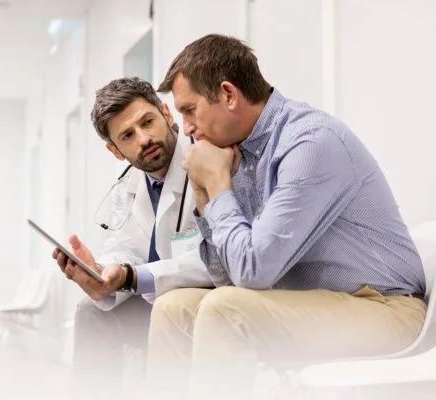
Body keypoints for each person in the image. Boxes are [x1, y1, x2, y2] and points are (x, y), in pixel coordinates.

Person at [145, 33, 427, 398]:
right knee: (173, 308)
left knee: (225, 310)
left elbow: (253, 272)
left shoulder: (309, 141)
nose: (186, 128)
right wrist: (203, 194)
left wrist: (216, 184)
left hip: (386, 311)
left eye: (189, 110)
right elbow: (229, 277)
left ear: (228, 95)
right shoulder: (240, 154)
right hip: (321, 302)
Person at [51, 77, 212, 399]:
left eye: (147, 122)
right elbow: (125, 245)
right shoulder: (128, 184)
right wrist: (101, 272)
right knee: (91, 312)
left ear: (166, 114)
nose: (144, 138)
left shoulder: (208, 160)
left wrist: (130, 277)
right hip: (158, 299)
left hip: (207, 302)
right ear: (114, 150)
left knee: (168, 308)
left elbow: (218, 259)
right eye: (127, 135)